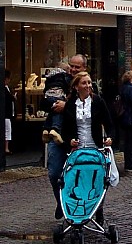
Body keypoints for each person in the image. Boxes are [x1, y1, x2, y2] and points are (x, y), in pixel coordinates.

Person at [60, 71, 114, 225]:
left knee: (99, 179)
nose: (88, 86)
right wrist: (69, 141)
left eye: (89, 82)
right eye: (84, 83)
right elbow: (64, 128)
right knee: (77, 179)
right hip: (77, 150)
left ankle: (99, 208)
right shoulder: (70, 104)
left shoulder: (98, 101)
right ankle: (76, 207)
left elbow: (109, 123)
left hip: (95, 147)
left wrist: (110, 137)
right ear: (76, 87)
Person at [46, 53, 88, 219]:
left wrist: (67, 105)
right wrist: (54, 102)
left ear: (84, 68)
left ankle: (86, 207)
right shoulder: (62, 80)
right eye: (72, 66)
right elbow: (46, 101)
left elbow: (91, 105)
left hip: (80, 137)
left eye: (77, 67)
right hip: (59, 136)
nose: (73, 69)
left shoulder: (87, 84)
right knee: (54, 173)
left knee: (83, 175)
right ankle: (61, 202)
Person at [4, 70, 15, 155]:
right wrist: (13, 97)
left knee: (7, 129)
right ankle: (6, 148)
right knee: (7, 130)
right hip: (6, 113)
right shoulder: (4, 89)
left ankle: (6, 147)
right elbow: (9, 98)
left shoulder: (7, 88)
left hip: (8, 113)